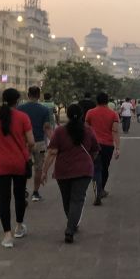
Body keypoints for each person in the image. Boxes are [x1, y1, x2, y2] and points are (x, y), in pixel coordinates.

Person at [41, 104, 100, 244]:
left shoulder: (60, 131)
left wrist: (44, 171)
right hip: (84, 170)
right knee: (77, 200)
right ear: (82, 115)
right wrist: (89, 160)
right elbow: (95, 150)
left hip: (63, 171)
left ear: (67, 115)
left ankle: (71, 226)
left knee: (67, 200)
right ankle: (71, 226)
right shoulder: (88, 131)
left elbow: (52, 153)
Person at [0, 88, 34, 248]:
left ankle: (7, 236)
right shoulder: (23, 117)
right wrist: (24, 148)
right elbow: (31, 141)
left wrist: (1, 146)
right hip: (19, 162)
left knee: (3, 199)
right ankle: (19, 226)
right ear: (18, 101)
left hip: (0, 162)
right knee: (19, 196)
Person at [17, 86, 53, 202]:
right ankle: (35, 193)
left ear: (28, 95)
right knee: (38, 168)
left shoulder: (20, 109)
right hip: (39, 143)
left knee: (22, 167)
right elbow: (47, 127)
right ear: (39, 95)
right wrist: (53, 141)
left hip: (23, 143)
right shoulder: (44, 110)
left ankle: (23, 189)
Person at [85, 92, 121, 205]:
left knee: (96, 169)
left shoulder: (90, 113)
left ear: (97, 100)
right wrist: (118, 148)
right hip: (107, 146)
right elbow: (115, 131)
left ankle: (98, 192)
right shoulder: (113, 114)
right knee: (104, 168)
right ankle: (101, 190)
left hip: (93, 145)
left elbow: (86, 130)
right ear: (107, 101)